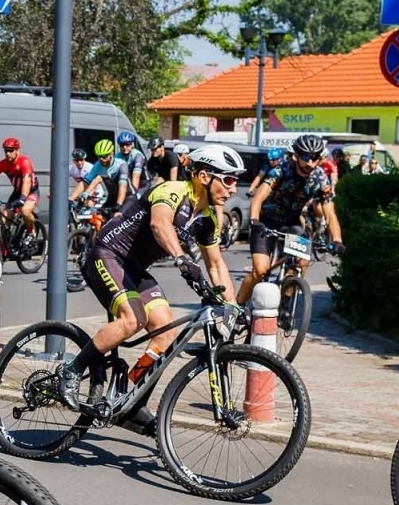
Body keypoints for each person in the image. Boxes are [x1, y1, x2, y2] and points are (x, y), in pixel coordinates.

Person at [62, 144, 243, 423]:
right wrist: (183, 260)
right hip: (107, 254)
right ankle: (71, 371)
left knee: (164, 331)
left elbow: (216, 264)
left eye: (235, 181)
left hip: (133, 267)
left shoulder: (207, 220)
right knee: (133, 319)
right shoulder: (172, 190)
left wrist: (232, 307)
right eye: (228, 180)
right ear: (204, 176)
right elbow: (160, 225)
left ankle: (130, 397)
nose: (233, 189)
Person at [238, 133, 345, 307]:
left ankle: (285, 304)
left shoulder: (320, 179)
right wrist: (254, 220)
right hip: (266, 220)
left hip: (292, 223)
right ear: (296, 156)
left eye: (314, 158)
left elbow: (330, 214)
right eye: (305, 157)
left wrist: (337, 240)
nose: (309, 163)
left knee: (300, 262)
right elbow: (258, 198)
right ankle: (238, 306)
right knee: (260, 269)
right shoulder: (281, 171)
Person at [0, 136, 39, 230]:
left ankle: (31, 232)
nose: (8, 153)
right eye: (6, 151)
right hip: (17, 192)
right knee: (4, 217)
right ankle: (6, 243)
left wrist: (22, 198)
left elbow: (26, 181)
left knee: (25, 211)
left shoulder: (24, 162)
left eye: (11, 150)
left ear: (17, 151)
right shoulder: (3, 163)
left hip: (31, 191)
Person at [114, 130, 147, 205]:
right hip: (128, 184)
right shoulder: (117, 156)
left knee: (133, 201)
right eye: (122, 145)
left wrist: (134, 194)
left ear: (132, 144)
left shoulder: (137, 155)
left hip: (142, 184)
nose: (125, 147)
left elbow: (136, 177)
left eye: (127, 144)